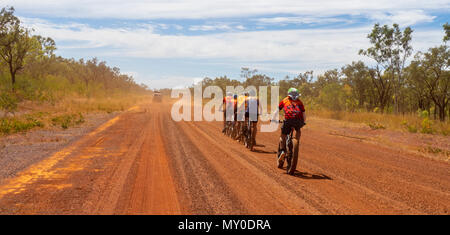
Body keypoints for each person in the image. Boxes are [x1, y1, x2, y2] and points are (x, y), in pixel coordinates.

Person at [271, 88, 306, 164]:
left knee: (283, 135)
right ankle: (296, 144)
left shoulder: (285, 100)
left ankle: (283, 150)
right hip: (298, 121)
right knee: (298, 130)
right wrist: (304, 122)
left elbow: (277, 110)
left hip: (288, 120)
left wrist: (273, 118)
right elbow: (303, 113)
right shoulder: (299, 102)